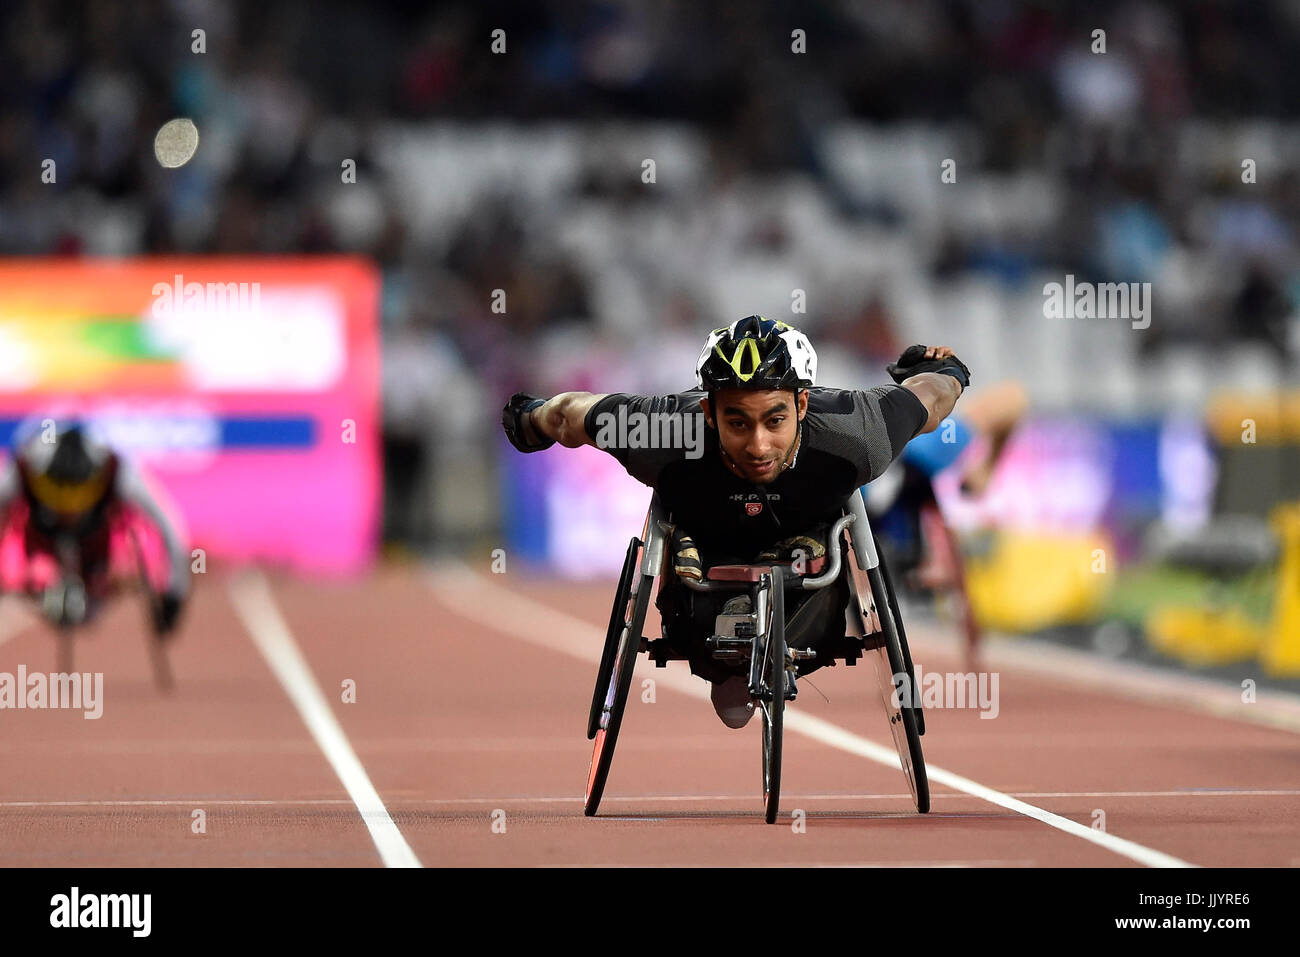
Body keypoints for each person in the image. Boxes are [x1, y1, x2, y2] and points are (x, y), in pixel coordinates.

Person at [501, 316, 970, 728]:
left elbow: (930, 399)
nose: (759, 445)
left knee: (758, 662)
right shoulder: (663, 431)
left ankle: (777, 602)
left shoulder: (856, 431)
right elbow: (570, 415)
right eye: (738, 422)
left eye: (775, 420)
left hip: (809, 574)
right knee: (729, 695)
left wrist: (943, 370)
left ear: (803, 407)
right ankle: (717, 626)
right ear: (708, 412)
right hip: (702, 570)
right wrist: (531, 420)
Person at [0, 420, 190, 635]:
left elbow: (166, 523)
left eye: (75, 499)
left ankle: (94, 584)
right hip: (39, 535)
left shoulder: (118, 471)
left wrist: (173, 594)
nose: (68, 512)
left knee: (113, 577)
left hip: (96, 537)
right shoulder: (21, 468)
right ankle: (40, 581)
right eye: (58, 498)